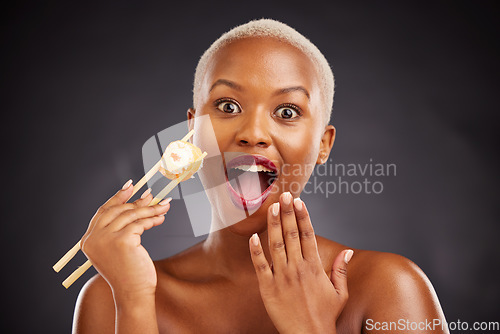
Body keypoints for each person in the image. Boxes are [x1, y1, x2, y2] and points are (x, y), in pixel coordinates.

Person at [73, 18, 448, 333]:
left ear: (323, 144)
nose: (252, 132)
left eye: (286, 112)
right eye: (227, 105)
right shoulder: (111, 298)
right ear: (192, 131)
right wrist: (135, 302)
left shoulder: (389, 289)